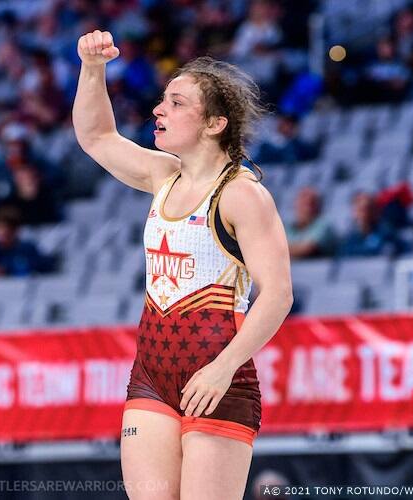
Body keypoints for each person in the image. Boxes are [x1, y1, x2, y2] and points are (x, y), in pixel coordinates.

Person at [74, 30, 293, 499]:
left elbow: (278, 294)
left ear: (215, 123)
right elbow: (95, 136)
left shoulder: (242, 195)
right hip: (152, 376)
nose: (158, 109)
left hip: (217, 378)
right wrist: (93, 70)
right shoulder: (161, 176)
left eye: (176, 103)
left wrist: (224, 367)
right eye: (162, 100)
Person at [285, 187, 336, 259]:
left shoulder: (325, 226)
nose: (306, 208)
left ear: (319, 207)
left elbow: (307, 249)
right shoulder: (287, 227)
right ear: (295, 205)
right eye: (302, 203)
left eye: (311, 203)